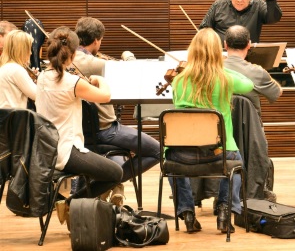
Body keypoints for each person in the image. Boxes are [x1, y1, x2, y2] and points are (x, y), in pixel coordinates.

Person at [34, 27, 123, 227]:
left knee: (102, 169)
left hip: (46, 150)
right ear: (73, 55)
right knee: (115, 173)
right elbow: (105, 96)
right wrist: (100, 80)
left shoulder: (42, 77)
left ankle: (73, 207)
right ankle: (71, 204)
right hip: (67, 152)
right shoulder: (72, 82)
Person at [169, 28, 254, 234]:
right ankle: (224, 211)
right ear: (218, 52)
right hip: (219, 153)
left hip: (182, 155)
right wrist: (223, 67)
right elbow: (249, 85)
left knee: (169, 160)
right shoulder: (225, 79)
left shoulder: (178, 81)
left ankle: (187, 212)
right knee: (236, 163)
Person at [74, 16, 160, 206]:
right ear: (96, 40)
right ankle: (107, 183)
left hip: (78, 133)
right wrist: (127, 55)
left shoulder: (68, 60)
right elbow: (132, 69)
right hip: (105, 130)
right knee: (157, 151)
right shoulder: (97, 64)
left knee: (119, 154)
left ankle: (103, 186)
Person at [199, 0, 282, 43]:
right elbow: (204, 30)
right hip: (221, 54)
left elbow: (273, 19)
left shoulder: (258, 5)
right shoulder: (218, 5)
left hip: (249, 54)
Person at [223, 25, 282, 117]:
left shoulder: (212, 69)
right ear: (249, 44)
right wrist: (264, 73)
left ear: (225, 45)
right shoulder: (258, 72)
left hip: (220, 125)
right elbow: (277, 93)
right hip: (251, 125)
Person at [0, 30, 37, 109]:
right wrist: (41, 82)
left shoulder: (5, 67)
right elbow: (37, 95)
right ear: (21, 50)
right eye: (29, 49)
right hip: (13, 116)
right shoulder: (16, 69)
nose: (30, 53)